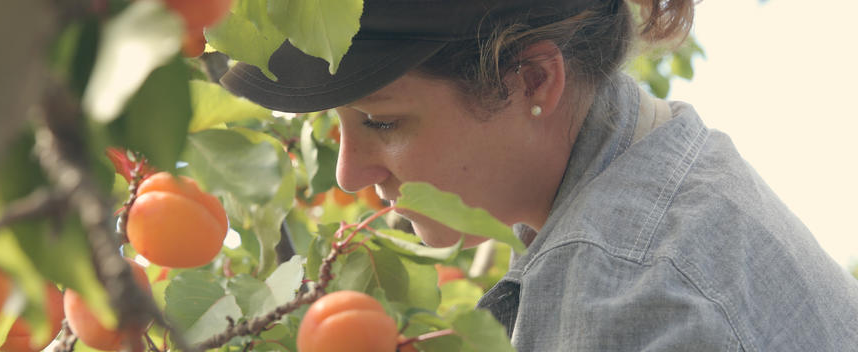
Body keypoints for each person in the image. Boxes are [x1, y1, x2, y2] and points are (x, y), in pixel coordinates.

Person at [219, 0, 858, 350]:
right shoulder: (671, 169)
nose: (349, 173)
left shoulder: (623, 288)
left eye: (382, 122)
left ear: (531, 81)